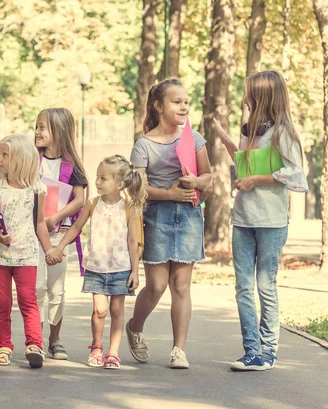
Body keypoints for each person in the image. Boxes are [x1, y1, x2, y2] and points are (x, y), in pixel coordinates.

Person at [214, 71, 308, 371]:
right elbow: (243, 165)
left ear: (263, 96)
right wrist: (228, 141)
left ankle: (268, 351)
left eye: (249, 93)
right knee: (243, 286)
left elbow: (296, 176)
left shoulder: (283, 133)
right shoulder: (249, 130)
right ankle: (251, 350)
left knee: (265, 285)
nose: (245, 98)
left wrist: (256, 180)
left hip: (271, 220)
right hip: (243, 218)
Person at [126, 78, 213, 369]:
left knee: (181, 285)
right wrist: (170, 193)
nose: (184, 106)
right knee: (156, 285)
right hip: (157, 216)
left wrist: (196, 182)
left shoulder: (194, 138)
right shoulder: (144, 144)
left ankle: (179, 350)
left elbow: (208, 178)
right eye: (177, 101)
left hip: (188, 217)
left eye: (186, 102)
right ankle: (135, 327)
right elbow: (138, 188)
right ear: (158, 106)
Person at [48, 155, 145, 369]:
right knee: (99, 310)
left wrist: (135, 271)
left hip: (121, 268)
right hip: (96, 267)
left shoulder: (129, 207)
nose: (98, 182)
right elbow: (75, 228)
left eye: (103, 178)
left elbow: (133, 240)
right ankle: (97, 347)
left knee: (117, 310)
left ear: (119, 185)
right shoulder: (93, 204)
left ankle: (113, 352)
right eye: (97, 177)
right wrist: (59, 247)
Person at [0, 134, 55, 368]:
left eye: (5, 155)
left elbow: (40, 223)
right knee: (1, 301)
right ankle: (3, 346)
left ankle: (35, 345)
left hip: (26, 254)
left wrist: (49, 248)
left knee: (28, 300)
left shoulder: (37, 190)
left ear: (21, 159)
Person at [34, 108, 87, 359]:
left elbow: (80, 200)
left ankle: (55, 340)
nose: (37, 132)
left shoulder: (71, 164)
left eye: (42, 127)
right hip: (33, 236)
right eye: (37, 126)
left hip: (59, 236)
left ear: (59, 131)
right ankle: (36, 340)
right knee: (37, 288)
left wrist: (54, 218)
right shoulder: (32, 160)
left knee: (56, 289)